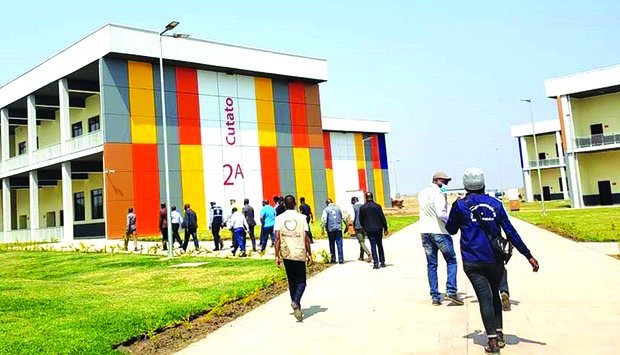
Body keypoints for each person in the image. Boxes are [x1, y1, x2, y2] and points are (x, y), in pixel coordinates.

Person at [445, 167, 539, 354]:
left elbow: (451, 229)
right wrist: (528, 255)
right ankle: (500, 334)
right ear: (483, 184)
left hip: (472, 261)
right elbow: (510, 232)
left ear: (465, 185)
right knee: (494, 295)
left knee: (484, 299)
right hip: (495, 259)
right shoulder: (495, 204)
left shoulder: (460, 205)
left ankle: (493, 342)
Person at [417, 172, 464, 306]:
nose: (446, 185)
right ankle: (451, 290)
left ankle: (435, 296)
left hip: (425, 232)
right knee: (451, 260)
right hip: (439, 232)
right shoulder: (438, 194)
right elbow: (441, 213)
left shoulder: (422, 192)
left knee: (432, 265)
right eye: (444, 182)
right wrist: (451, 223)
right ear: (437, 180)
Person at [274, 194, 313, 322]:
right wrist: (309, 253)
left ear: (284, 204)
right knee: (301, 281)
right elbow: (306, 237)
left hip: (286, 252)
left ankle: (296, 307)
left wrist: (277, 255)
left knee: (292, 281)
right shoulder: (302, 218)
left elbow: (277, 238)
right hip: (299, 252)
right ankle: (296, 302)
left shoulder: (279, 218)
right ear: (295, 203)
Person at [359, 192, 388, 269]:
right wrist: (385, 228)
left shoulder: (363, 208)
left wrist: (364, 227)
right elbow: (382, 218)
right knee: (380, 245)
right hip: (378, 228)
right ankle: (382, 261)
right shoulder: (377, 206)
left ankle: (375, 263)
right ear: (372, 197)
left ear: (366, 197)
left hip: (369, 229)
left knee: (373, 245)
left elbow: (361, 220)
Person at [321, 198, 345, 264]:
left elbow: (324, 220)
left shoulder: (326, 209)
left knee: (331, 244)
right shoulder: (338, 208)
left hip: (330, 229)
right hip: (338, 228)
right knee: (339, 244)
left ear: (327, 203)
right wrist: (346, 225)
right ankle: (341, 259)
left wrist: (322, 228)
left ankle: (333, 258)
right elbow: (343, 217)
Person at [351, 197, 372, 262]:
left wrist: (351, 226)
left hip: (358, 227)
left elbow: (352, 218)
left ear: (353, 201)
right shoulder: (363, 206)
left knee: (361, 242)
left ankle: (368, 253)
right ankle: (361, 256)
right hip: (365, 226)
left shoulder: (353, 208)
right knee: (362, 241)